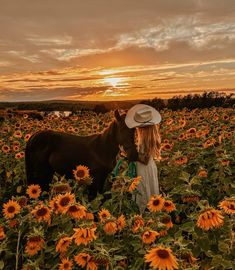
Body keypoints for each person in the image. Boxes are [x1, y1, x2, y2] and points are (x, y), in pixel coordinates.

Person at [125, 104, 162, 213]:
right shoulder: (151, 136)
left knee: (144, 193)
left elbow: (144, 159)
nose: (137, 129)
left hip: (144, 169)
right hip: (149, 168)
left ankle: (144, 215)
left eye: (138, 127)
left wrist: (131, 153)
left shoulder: (146, 139)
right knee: (150, 191)